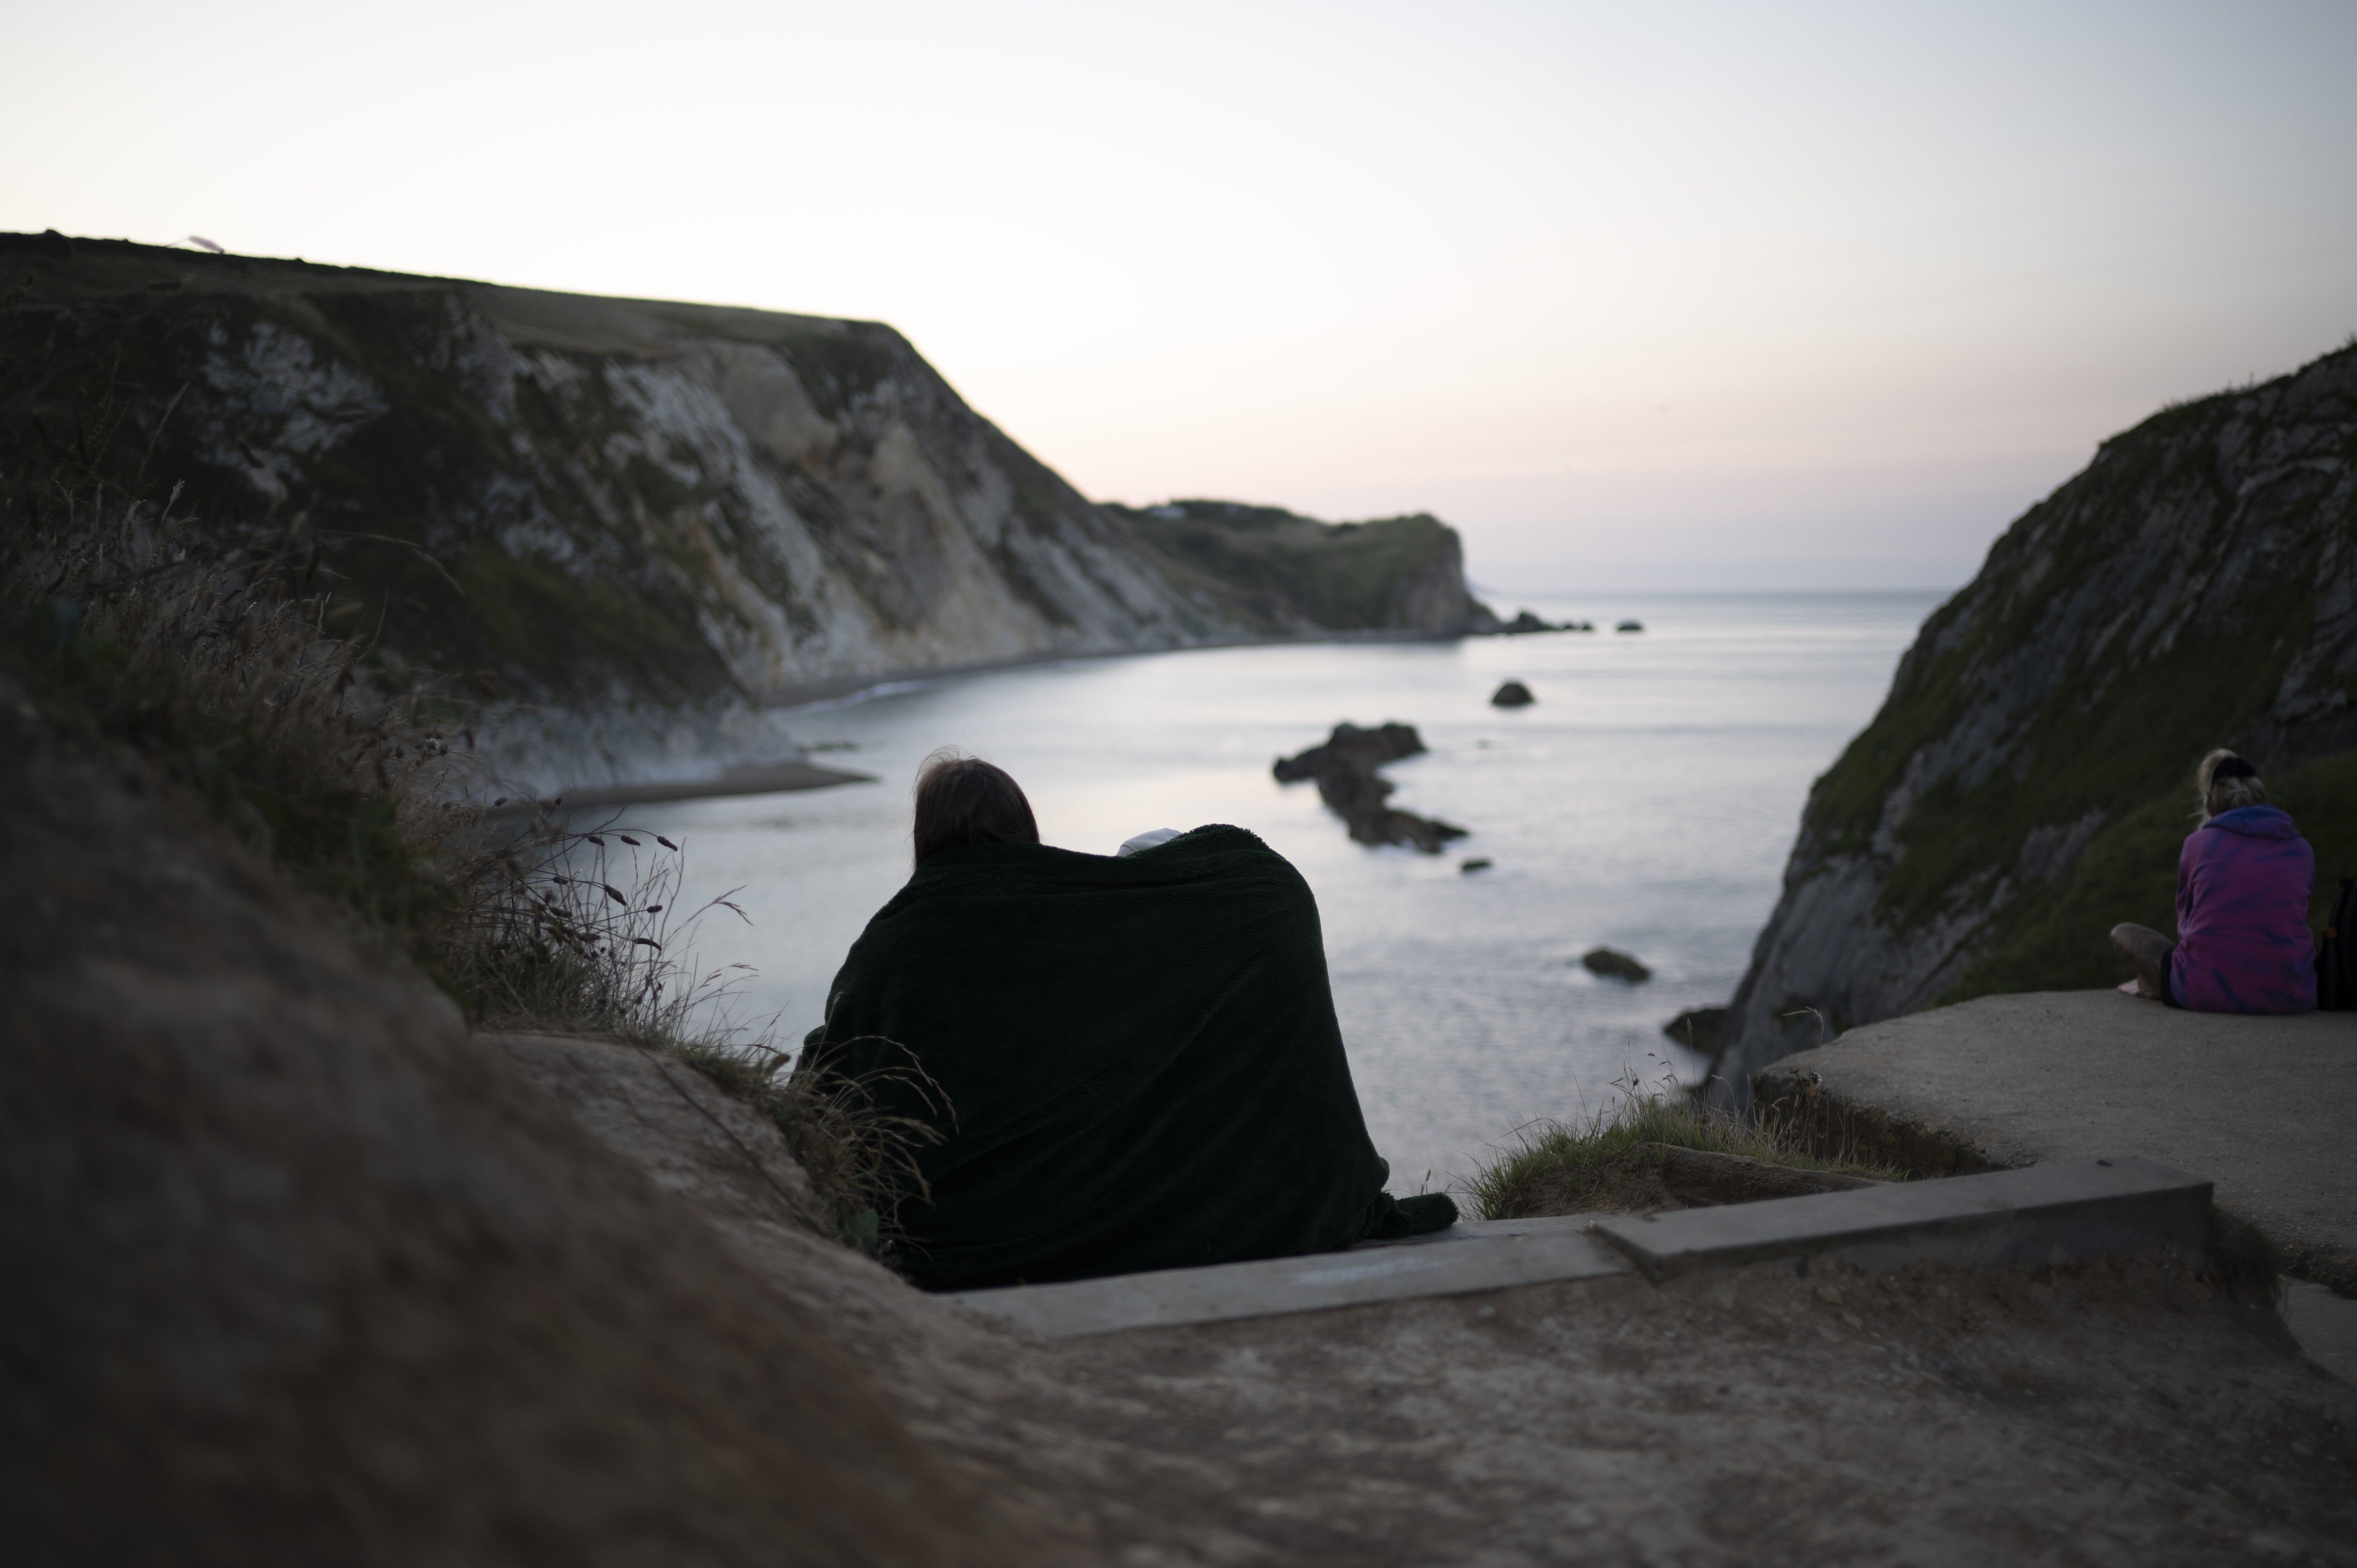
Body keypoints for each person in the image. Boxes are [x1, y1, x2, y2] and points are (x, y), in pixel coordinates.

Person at [800, 750, 1455, 1291]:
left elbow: (837, 1083)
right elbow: (1257, 893)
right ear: (1025, 831)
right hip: (1173, 1229)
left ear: (925, 838)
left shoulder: (891, 948)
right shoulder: (1086, 918)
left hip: (966, 1249)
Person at [2110, 750, 2315, 1013]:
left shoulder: (2197, 845)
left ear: (2210, 805)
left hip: (2202, 992)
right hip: (2292, 996)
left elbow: (2187, 925)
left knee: (2123, 933)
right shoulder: (2301, 849)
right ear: (2260, 800)